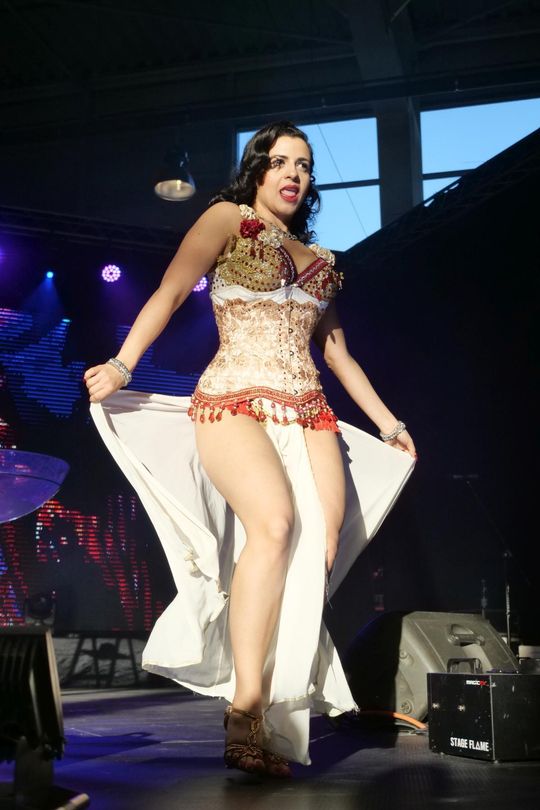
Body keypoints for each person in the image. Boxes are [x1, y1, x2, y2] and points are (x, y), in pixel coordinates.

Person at [84, 121, 416, 777]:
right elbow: (169, 292)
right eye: (282, 161)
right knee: (274, 525)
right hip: (232, 399)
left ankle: (280, 712)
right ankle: (245, 710)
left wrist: (389, 423)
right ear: (258, 168)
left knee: (317, 553)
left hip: (310, 412)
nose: (294, 173)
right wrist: (123, 365)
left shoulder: (323, 261)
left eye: (305, 165)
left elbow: (337, 355)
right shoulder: (226, 220)